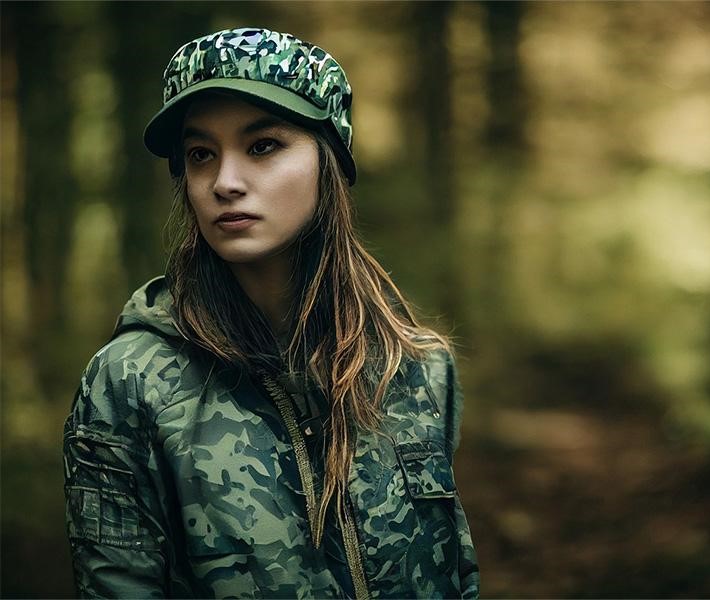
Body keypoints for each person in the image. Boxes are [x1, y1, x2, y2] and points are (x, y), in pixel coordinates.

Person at [63, 27, 479, 599]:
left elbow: (455, 575)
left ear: (328, 161)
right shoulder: (132, 382)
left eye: (262, 146)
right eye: (201, 154)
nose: (224, 183)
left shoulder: (415, 368)